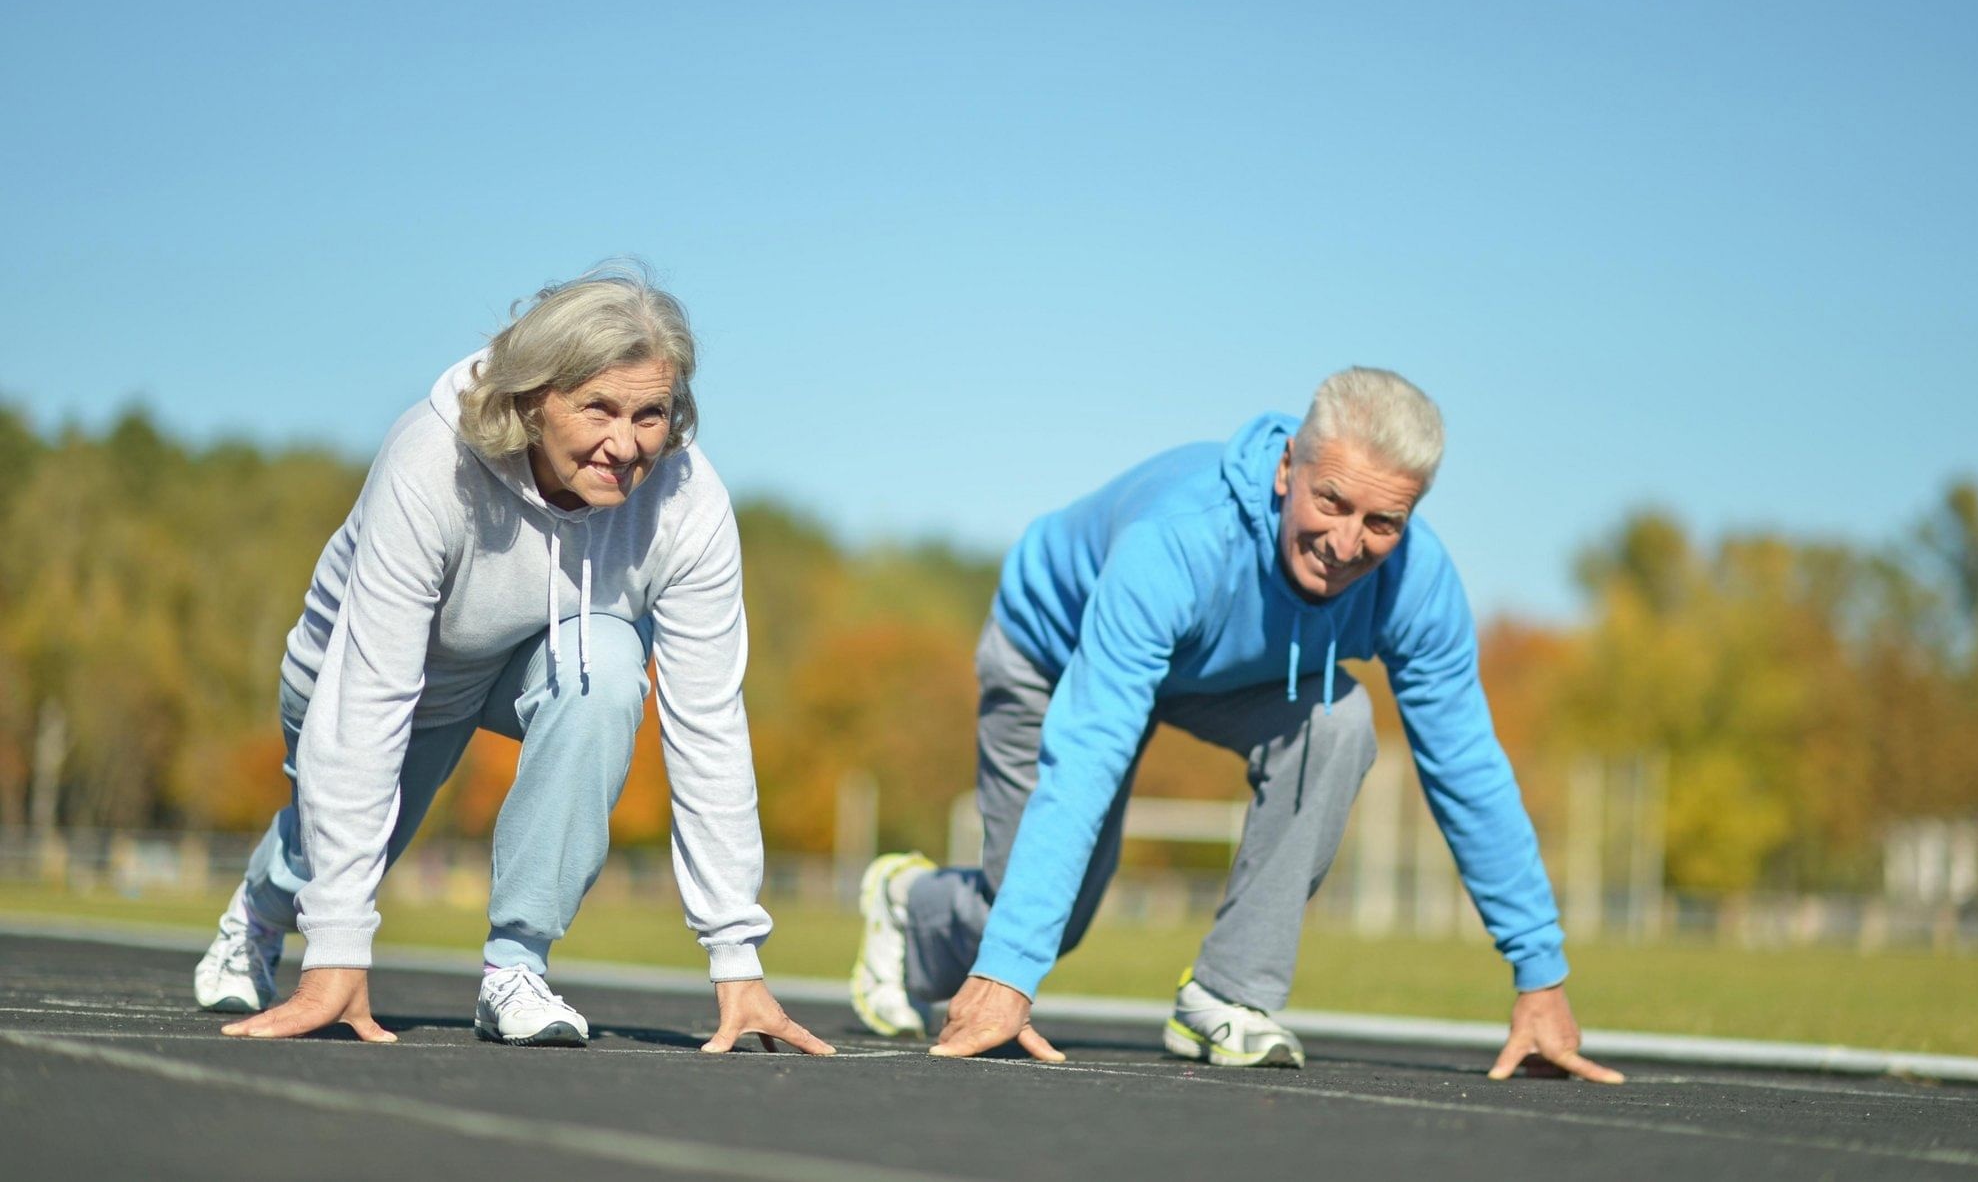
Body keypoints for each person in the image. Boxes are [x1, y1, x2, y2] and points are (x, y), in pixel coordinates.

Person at [852, 367, 1620, 1082]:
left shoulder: (1417, 585)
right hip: (1052, 650)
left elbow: (1467, 767)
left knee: (1342, 717)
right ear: (1289, 469)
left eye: (1383, 521)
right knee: (1053, 910)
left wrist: (1540, 973)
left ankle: (1227, 996)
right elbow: (1087, 751)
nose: (1347, 546)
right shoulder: (1180, 539)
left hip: (1216, 672)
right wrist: (1011, 970)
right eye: (1331, 502)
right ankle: (911, 901)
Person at [193, 263, 831, 1055]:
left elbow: (707, 726)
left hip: (526, 663)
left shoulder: (688, 503)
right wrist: (337, 954)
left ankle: (515, 970)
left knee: (607, 660)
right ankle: (259, 913)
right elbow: (366, 703)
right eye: (598, 406)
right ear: (533, 399)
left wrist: (737, 959)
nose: (624, 445)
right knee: (337, 841)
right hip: (373, 672)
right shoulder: (432, 462)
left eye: (650, 415)